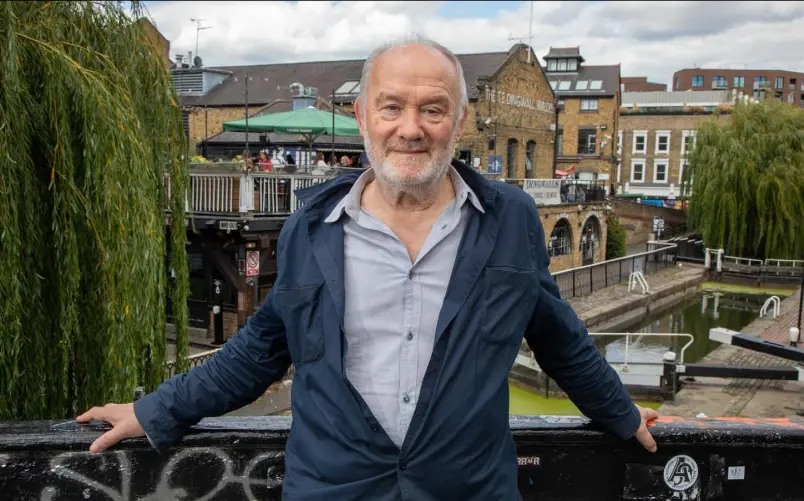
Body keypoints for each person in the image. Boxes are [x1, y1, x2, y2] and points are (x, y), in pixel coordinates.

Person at [77, 36, 658, 501]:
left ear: (458, 123)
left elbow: (559, 339)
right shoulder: (311, 225)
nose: (411, 128)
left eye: (433, 110)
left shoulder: (510, 220)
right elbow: (260, 348)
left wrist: (622, 412)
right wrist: (156, 410)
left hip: (465, 489)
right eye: (392, 107)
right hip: (335, 488)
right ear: (362, 116)